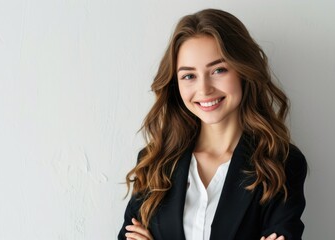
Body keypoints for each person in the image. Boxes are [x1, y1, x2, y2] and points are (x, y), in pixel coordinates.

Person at [118, 8, 307, 240]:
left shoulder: (281, 163)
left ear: (243, 71)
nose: (204, 89)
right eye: (189, 76)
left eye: (218, 70)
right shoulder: (155, 162)